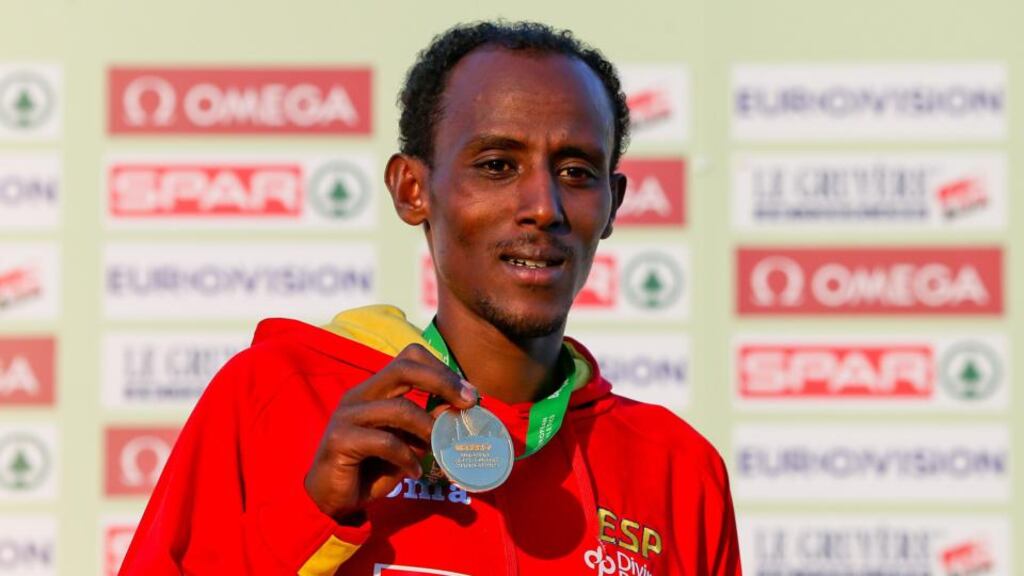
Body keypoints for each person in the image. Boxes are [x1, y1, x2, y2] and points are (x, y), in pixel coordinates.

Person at [120, 21, 741, 576]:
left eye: (576, 172)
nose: (543, 207)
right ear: (412, 189)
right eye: (497, 165)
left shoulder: (678, 469)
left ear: (613, 204)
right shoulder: (276, 396)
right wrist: (309, 519)